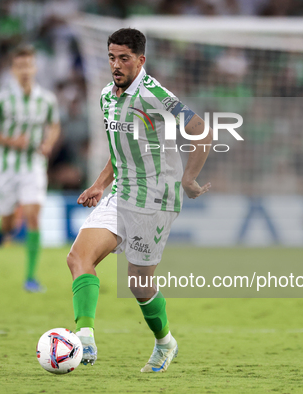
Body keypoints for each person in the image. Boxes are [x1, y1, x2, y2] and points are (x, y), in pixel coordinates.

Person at [67, 28, 212, 372]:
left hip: (156, 199)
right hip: (121, 193)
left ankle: (165, 342)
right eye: (111, 58)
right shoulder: (106, 97)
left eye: (124, 58)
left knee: (138, 282)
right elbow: (119, 152)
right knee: (78, 258)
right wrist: (100, 184)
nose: (116, 65)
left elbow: (202, 132)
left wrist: (188, 178)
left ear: (140, 60)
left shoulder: (155, 95)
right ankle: (84, 337)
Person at [0, 46, 60, 293]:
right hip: (4, 166)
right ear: (13, 70)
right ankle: (0, 225)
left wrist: (48, 143)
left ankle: (31, 278)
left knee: (34, 215)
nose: (25, 70)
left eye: (29, 65)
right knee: (9, 226)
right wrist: (10, 141)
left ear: (35, 68)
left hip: (33, 165)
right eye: (20, 66)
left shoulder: (46, 99)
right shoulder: (1, 98)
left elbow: (54, 125)